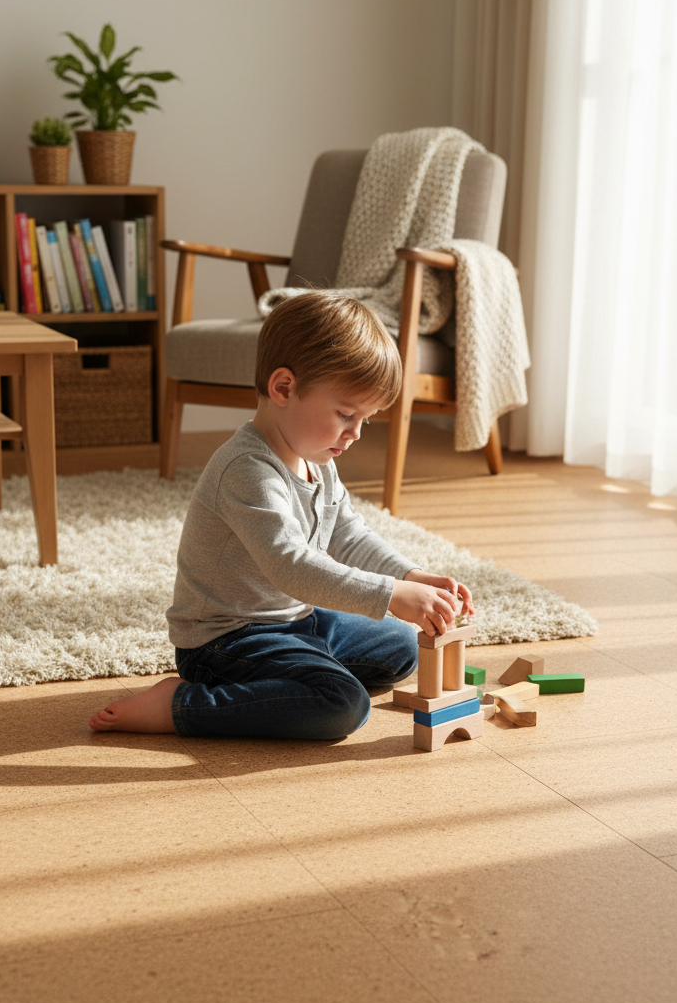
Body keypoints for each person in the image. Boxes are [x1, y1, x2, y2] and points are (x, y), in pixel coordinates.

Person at [89, 292, 473, 739]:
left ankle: (293, 675)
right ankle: (180, 705)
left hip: (295, 621)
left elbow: (350, 536)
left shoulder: (318, 459)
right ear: (284, 388)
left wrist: (412, 576)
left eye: (365, 419)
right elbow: (291, 566)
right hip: (226, 640)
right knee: (342, 705)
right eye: (347, 414)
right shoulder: (246, 469)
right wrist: (390, 594)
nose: (356, 433)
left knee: (401, 646)